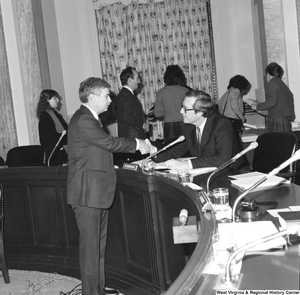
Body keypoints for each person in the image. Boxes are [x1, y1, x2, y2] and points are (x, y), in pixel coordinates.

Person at [67, 77, 154, 295]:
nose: (110, 100)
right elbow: (109, 143)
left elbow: (99, 151)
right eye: (106, 95)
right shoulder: (84, 119)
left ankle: (98, 289)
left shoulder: (90, 118)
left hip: (96, 193)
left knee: (98, 249)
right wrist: (138, 144)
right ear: (93, 96)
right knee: (90, 251)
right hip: (87, 194)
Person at [154, 90, 234, 170]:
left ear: (200, 113)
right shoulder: (189, 127)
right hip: (205, 172)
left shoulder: (221, 124)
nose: (181, 111)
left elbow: (223, 158)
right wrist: (152, 151)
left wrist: (187, 164)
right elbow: (174, 152)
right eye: (182, 106)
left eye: (185, 109)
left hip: (232, 173)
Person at [251, 62, 295, 133]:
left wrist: (257, 106)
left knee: (274, 142)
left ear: (268, 74)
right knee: (284, 142)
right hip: (285, 119)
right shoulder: (281, 84)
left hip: (276, 118)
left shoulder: (272, 83)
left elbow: (272, 102)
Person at [154, 65, 191, 144]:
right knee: (186, 149)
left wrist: (167, 112)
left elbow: (157, 114)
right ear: (180, 76)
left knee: (171, 151)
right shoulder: (185, 91)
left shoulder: (160, 92)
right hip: (184, 123)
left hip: (169, 125)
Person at [36, 89, 68, 165]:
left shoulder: (54, 113)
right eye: (55, 98)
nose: (58, 100)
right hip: (55, 155)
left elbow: (66, 129)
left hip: (60, 152)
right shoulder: (45, 116)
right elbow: (50, 138)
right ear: (47, 100)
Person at [116, 66, 146, 139]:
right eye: (137, 78)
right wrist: (140, 124)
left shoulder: (123, 94)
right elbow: (127, 117)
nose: (139, 81)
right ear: (130, 80)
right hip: (132, 137)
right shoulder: (127, 96)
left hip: (129, 136)